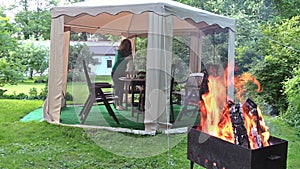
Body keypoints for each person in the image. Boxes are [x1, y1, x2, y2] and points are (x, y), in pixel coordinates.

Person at [111, 39, 133, 111]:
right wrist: (125, 58)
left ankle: (120, 104)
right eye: (126, 46)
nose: (127, 47)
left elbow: (131, 63)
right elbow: (118, 60)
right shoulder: (119, 52)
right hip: (115, 72)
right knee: (117, 88)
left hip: (122, 72)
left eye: (129, 46)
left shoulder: (129, 53)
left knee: (121, 88)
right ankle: (116, 104)